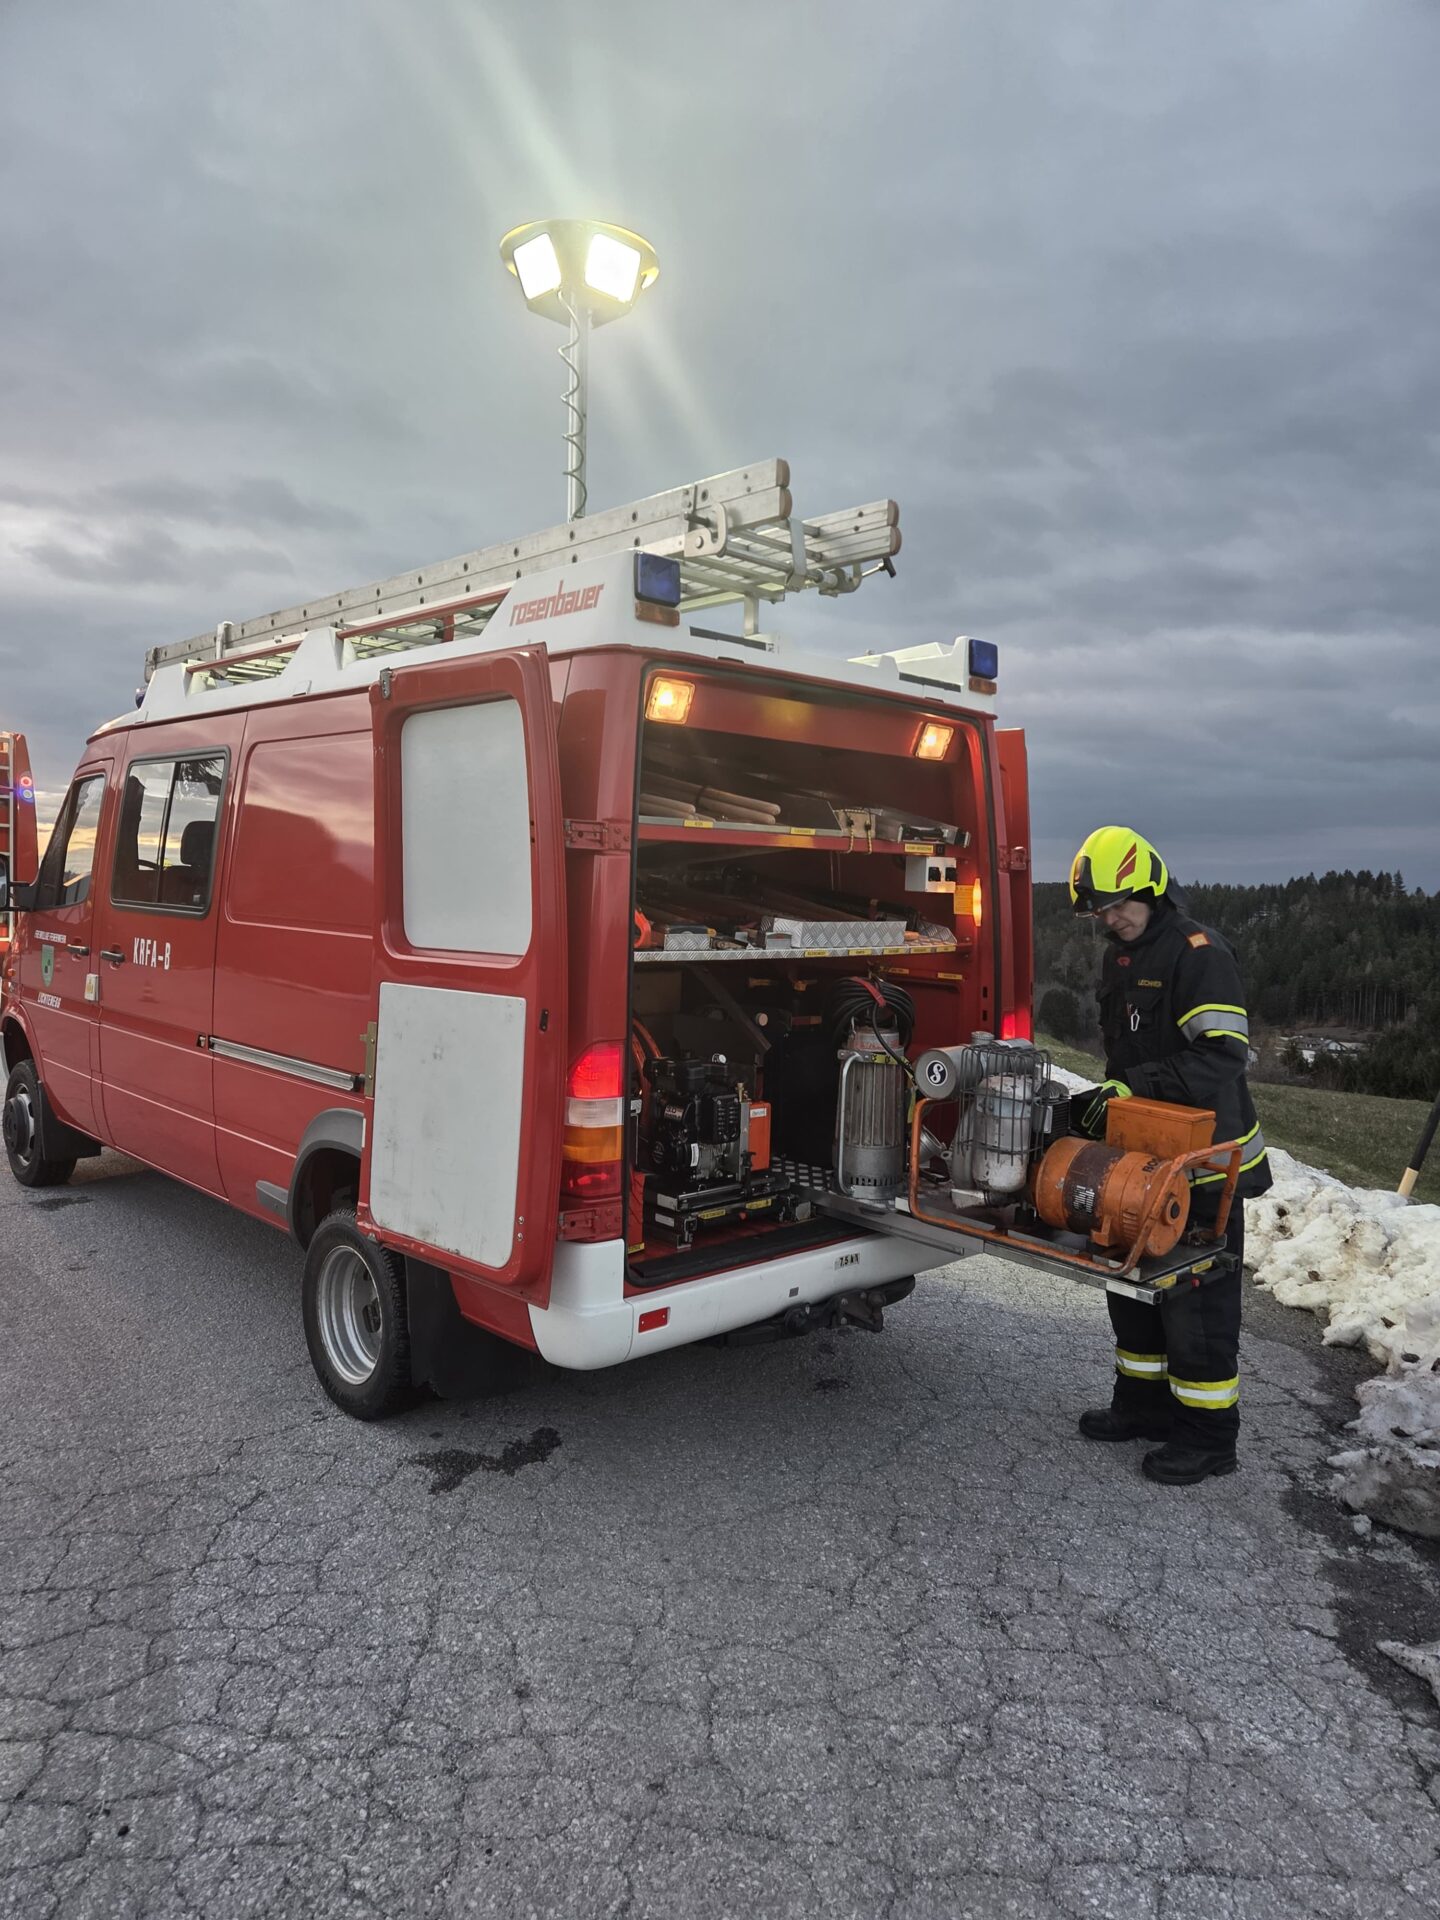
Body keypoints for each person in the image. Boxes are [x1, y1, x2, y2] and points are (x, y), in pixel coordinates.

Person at [1067, 825, 1271, 1485]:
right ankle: (1142, 1406)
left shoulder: (1198, 953)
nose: (1110, 919)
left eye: (1117, 904)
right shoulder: (1119, 958)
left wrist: (1137, 1087)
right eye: (1099, 910)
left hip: (1206, 1163)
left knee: (1197, 1304)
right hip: (1143, 1157)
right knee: (1132, 1283)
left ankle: (1209, 1438)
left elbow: (1223, 1054)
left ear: (1151, 888)